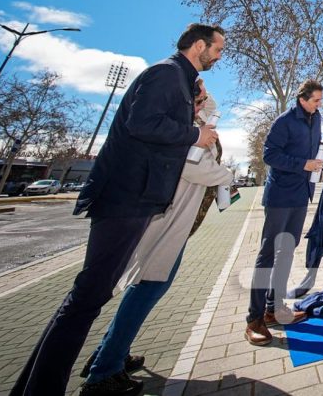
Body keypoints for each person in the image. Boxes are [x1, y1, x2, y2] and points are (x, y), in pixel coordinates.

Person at [10, 24, 224, 396]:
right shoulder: (166, 73)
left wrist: (196, 109)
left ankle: (35, 387)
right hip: (125, 199)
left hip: (138, 200)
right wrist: (195, 135)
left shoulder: (181, 82)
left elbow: (159, 128)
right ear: (200, 45)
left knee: (87, 299)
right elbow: (142, 124)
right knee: (85, 300)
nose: (220, 56)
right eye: (218, 48)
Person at [80, 81, 233, 395]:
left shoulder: (195, 123)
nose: (205, 102)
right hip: (167, 219)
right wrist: (226, 175)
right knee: (148, 288)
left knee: (144, 287)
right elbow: (195, 169)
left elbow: (210, 112)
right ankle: (103, 373)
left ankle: (109, 353)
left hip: (175, 218)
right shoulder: (183, 128)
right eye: (199, 97)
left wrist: (200, 94)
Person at [245, 80, 323, 345]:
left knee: (287, 253)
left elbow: (316, 151)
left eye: (320, 101)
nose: (319, 105)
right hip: (280, 197)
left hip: (301, 197)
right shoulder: (284, 121)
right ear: (303, 99)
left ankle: (274, 308)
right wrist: (302, 164)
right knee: (268, 254)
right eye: (316, 100)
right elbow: (269, 155)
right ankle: (254, 319)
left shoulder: (315, 120)